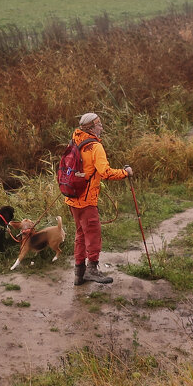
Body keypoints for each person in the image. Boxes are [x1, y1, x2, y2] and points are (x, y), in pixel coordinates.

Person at [64, 112, 133, 286]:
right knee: (93, 235)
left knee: (80, 234)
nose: (102, 127)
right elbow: (106, 172)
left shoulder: (74, 140)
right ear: (91, 128)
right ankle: (92, 270)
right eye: (99, 124)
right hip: (87, 200)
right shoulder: (95, 147)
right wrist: (126, 173)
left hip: (72, 197)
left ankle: (79, 273)